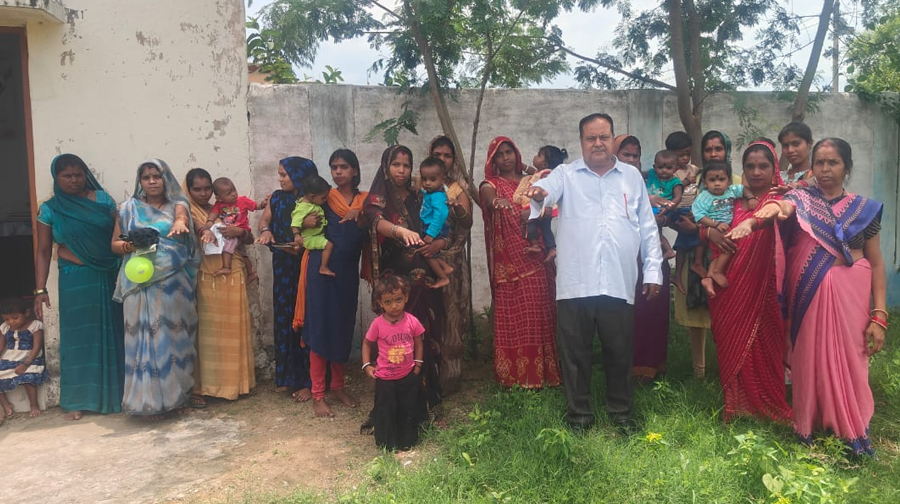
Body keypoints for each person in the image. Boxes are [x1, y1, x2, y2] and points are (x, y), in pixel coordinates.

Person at [729, 138, 885, 455]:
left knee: (850, 359)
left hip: (851, 297)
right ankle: (809, 425)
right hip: (807, 293)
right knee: (809, 356)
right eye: (820, 163)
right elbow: (783, 208)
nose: (825, 169)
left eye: (833, 162)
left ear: (847, 167)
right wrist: (760, 216)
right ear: (812, 168)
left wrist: (879, 314)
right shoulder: (801, 199)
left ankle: (850, 428)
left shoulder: (864, 210)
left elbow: (877, 262)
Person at [524, 114, 662, 433]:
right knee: (574, 354)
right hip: (576, 280)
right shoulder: (566, 175)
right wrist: (539, 193)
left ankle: (622, 413)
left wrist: (653, 270)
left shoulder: (631, 177)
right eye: (591, 138)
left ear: (612, 139)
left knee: (619, 351)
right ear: (581, 142)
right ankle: (579, 416)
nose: (598, 143)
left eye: (604, 137)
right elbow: (547, 189)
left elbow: (646, 225)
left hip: (618, 279)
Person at [704, 140, 791, 424]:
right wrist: (710, 234)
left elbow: (784, 221)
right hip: (728, 286)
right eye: (750, 166)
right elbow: (702, 225)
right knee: (730, 342)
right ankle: (736, 405)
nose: (756, 172)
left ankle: (767, 404)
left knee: (764, 345)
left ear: (774, 168)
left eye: (763, 166)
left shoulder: (780, 200)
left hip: (765, 286)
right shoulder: (730, 199)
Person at [33, 153, 124, 420]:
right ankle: (78, 399)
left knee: (114, 332)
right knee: (79, 338)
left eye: (78, 175)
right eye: (67, 176)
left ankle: (118, 395)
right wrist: (40, 289)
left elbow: (119, 235)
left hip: (109, 274)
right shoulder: (49, 209)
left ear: (86, 175)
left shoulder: (103, 201)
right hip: (75, 279)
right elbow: (43, 251)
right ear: (56, 178)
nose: (73, 180)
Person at [112, 159, 200, 418]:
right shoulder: (127, 209)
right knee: (140, 338)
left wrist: (180, 223)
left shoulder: (178, 205)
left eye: (157, 176)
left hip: (172, 282)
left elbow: (181, 217)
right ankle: (146, 402)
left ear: (165, 179)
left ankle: (176, 398)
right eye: (146, 177)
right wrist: (132, 245)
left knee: (172, 339)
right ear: (140, 181)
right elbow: (115, 244)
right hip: (138, 283)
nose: (152, 181)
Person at [364, 145, 442, 425]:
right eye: (396, 164)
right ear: (386, 167)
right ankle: (390, 404)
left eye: (406, 165)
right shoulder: (377, 198)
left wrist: (439, 242)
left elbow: (437, 221)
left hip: (421, 279)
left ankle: (424, 400)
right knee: (392, 340)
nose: (401, 170)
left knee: (420, 336)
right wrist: (400, 231)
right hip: (394, 285)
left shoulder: (420, 196)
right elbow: (376, 221)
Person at [479, 136, 561, 389]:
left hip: (538, 258)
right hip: (510, 265)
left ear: (516, 153)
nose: (506, 158)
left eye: (509, 152)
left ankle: (545, 374)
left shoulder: (533, 180)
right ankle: (516, 377)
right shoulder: (491, 184)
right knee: (516, 318)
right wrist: (496, 201)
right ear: (493, 160)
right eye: (500, 154)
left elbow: (549, 197)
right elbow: (488, 197)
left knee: (540, 314)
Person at [294, 149, 368, 418]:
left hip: (347, 272)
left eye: (343, 167)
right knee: (320, 328)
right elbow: (299, 216)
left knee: (342, 327)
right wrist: (304, 222)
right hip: (320, 271)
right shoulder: (323, 197)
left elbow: (372, 227)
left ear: (355, 170)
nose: (338, 172)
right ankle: (318, 394)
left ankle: (337, 387)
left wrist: (361, 213)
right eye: (334, 167)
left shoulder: (366, 200)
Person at [185, 168, 256, 404]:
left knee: (233, 328)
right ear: (188, 190)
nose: (203, 193)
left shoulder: (227, 208)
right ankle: (205, 387)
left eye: (207, 188)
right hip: (205, 274)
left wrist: (240, 232)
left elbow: (249, 239)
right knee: (208, 331)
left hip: (233, 270)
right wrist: (204, 229)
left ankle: (235, 385)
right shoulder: (185, 211)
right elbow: (198, 229)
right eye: (197, 189)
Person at [671, 130, 733, 379]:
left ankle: (728, 365)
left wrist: (712, 232)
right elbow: (679, 209)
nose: (713, 154)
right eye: (708, 149)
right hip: (694, 248)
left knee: (727, 310)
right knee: (696, 312)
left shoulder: (735, 181)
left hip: (726, 253)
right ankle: (699, 372)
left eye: (718, 148)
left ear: (726, 151)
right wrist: (699, 229)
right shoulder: (693, 180)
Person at [256, 157, 317, 400]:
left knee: (306, 318)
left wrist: (302, 239)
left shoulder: (314, 198)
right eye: (279, 174)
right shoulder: (277, 198)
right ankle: (287, 376)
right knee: (285, 317)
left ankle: (309, 380)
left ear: (299, 176)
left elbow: (322, 228)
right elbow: (265, 220)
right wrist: (266, 232)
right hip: (283, 265)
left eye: (285, 174)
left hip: (306, 264)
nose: (280, 179)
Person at [614, 136, 673, 383]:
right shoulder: (607, 183)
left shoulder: (651, 182)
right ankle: (625, 366)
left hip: (651, 255)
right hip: (623, 259)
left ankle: (652, 365)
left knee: (653, 310)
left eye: (635, 156)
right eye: (625, 155)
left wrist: (664, 217)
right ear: (615, 156)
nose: (631, 160)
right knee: (628, 314)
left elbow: (671, 207)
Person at [426, 135, 473, 394]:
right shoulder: (421, 184)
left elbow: (467, 223)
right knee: (427, 315)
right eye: (438, 154)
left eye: (447, 155)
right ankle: (425, 376)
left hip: (451, 259)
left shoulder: (456, 188)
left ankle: (448, 380)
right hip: (424, 258)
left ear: (453, 160)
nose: (443, 159)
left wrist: (457, 210)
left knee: (451, 317)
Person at [361, 274, 426, 451]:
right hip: (385, 378)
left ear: (406, 297)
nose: (394, 306)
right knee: (386, 410)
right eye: (388, 302)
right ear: (380, 303)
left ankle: (406, 441)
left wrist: (418, 365)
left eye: (398, 300)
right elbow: (367, 343)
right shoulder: (377, 324)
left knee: (407, 409)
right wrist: (367, 365)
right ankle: (386, 444)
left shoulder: (412, 321)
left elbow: (419, 343)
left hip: (407, 375)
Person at [691, 162, 756, 295]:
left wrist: (750, 198)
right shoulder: (704, 196)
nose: (717, 184)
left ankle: (708, 278)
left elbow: (744, 189)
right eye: (712, 180)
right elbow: (699, 216)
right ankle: (717, 271)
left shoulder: (731, 190)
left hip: (724, 228)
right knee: (729, 247)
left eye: (721, 179)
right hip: (712, 228)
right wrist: (715, 224)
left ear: (729, 180)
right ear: (705, 182)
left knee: (717, 254)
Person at [204, 177, 264, 278]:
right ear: (219, 198)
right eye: (229, 193)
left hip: (241, 231)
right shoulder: (219, 204)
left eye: (234, 190)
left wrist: (263, 204)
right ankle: (251, 273)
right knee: (242, 253)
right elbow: (214, 213)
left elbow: (256, 206)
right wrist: (209, 221)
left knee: (228, 247)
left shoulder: (243, 200)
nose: (233, 194)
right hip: (229, 233)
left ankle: (227, 267)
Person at [515, 145, 567, 260]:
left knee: (532, 224)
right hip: (542, 206)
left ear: (544, 164)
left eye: (538, 155)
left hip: (544, 207)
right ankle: (551, 248)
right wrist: (523, 166)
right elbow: (533, 172)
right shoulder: (541, 173)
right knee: (545, 228)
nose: (535, 157)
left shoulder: (546, 175)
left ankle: (537, 245)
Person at [666, 132, 702, 294]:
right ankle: (696, 264)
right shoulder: (670, 172)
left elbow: (703, 171)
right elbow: (671, 187)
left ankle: (678, 275)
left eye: (688, 154)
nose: (685, 158)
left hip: (692, 210)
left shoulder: (692, 168)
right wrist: (686, 181)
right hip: (678, 210)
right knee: (696, 234)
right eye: (681, 155)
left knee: (684, 242)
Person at [0, 297, 48, 418]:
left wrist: (26, 363)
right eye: (6, 319)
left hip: (30, 359)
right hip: (10, 359)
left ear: (26, 313)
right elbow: (1, 346)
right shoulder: (5, 328)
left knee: (28, 378)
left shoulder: (35, 326)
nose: (11, 322)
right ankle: (6, 405)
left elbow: (37, 346)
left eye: (15, 317)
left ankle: (34, 405)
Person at [418, 156, 454, 288]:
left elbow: (441, 214)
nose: (427, 183)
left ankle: (443, 277)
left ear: (442, 179)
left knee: (428, 254)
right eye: (424, 179)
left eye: (432, 179)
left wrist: (431, 233)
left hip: (433, 227)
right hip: (430, 226)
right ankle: (445, 267)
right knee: (432, 253)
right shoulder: (431, 192)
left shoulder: (438, 196)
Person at [291, 175, 337, 278]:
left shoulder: (311, 205)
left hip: (316, 235)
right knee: (329, 245)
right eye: (323, 198)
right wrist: (297, 235)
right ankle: (323, 267)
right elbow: (295, 222)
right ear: (312, 196)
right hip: (310, 238)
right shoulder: (303, 208)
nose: (325, 200)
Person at [646, 150, 682, 259]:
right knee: (654, 230)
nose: (664, 170)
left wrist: (668, 208)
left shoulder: (675, 182)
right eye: (660, 167)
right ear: (654, 167)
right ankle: (664, 250)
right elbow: (638, 174)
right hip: (650, 207)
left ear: (676, 168)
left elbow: (677, 198)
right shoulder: (652, 174)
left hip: (665, 209)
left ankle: (667, 250)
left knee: (653, 226)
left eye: (668, 168)